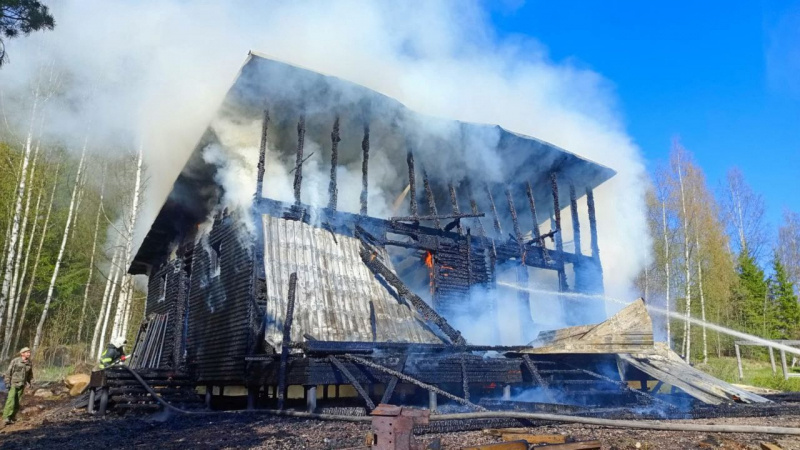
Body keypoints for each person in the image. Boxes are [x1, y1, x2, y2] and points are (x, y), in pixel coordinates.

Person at [3, 347, 33, 425]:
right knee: (11, 400)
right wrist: (7, 382)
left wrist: (30, 383)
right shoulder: (15, 361)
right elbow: (8, 372)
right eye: (27, 352)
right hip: (13, 384)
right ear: (22, 353)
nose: (29, 354)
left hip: (22, 384)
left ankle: (12, 417)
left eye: (29, 352)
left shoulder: (29, 363)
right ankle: (6, 417)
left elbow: (30, 375)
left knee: (17, 402)